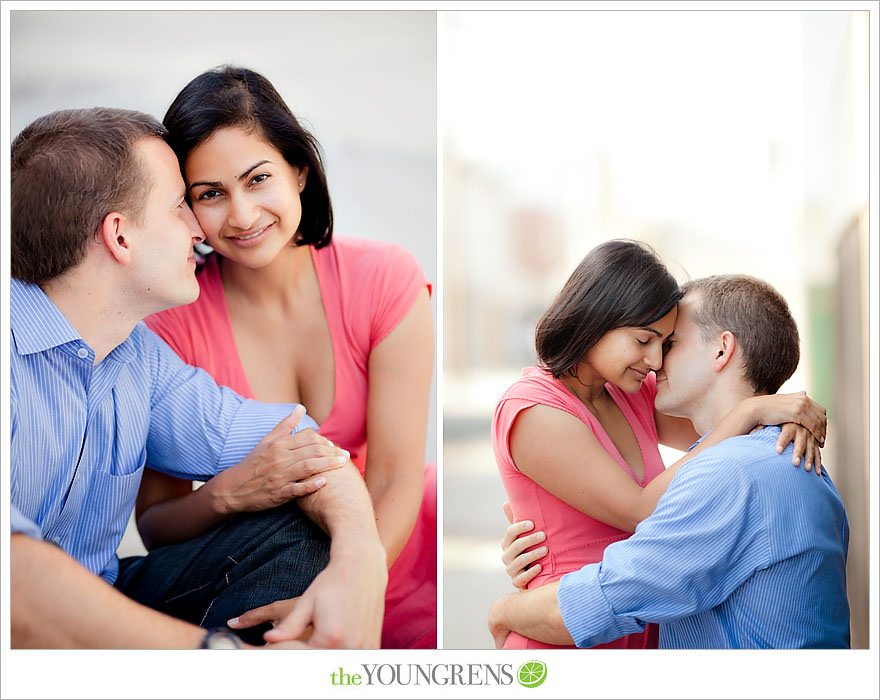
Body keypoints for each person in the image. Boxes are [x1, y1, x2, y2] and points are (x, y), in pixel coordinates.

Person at [10, 106, 387, 649]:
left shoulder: (138, 356)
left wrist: (359, 564)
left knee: (304, 527)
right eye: (180, 206)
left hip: (108, 600)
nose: (200, 228)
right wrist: (214, 658)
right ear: (120, 236)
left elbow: (301, 444)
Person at [134, 66, 436, 649]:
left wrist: (346, 583)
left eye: (257, 179)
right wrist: (232, 490)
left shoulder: (387, 279)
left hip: (395, 552)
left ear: (298, 171)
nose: (242, 216)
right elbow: (155, 524)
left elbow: (397, 475)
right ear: (185, 208)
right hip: (263, 579)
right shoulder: (169, 326)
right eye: (210, 194)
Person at [492, 240, 827, 649]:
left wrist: (795, 418)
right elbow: (638, 510)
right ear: (598, 318)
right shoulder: (533, 410)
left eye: (667, 343)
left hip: (640, 614)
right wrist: (750, 412)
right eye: (645, 340)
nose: (655, 361)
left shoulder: (628, 390)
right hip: (569, 626)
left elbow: (725, 422)